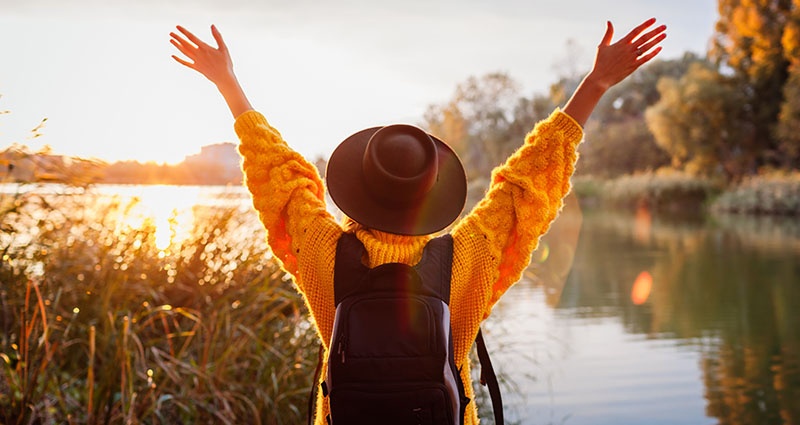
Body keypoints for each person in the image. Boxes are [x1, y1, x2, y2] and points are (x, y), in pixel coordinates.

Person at [170, 18, 666, 425]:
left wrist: (228, 84)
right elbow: (526, 183)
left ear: (358, 187)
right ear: (432, 194)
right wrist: (595, 84)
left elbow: (275, 171)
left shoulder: (322, 249)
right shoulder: (465, 256)